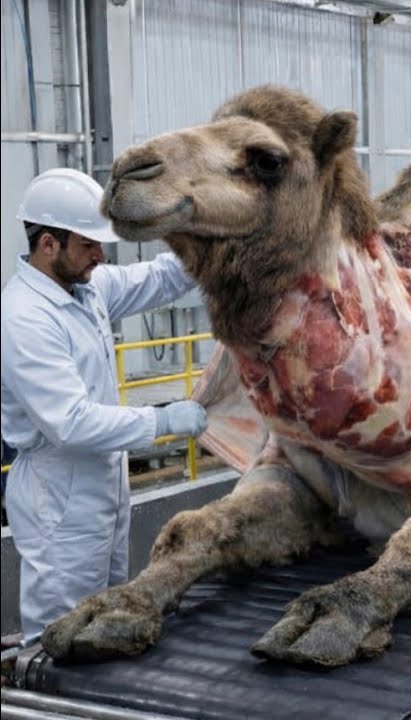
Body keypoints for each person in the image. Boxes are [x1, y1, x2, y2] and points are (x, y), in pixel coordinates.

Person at [1, 168, 209, 643]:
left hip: (102, 485)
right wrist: (162, 419)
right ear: (48, 244)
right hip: (60, 496)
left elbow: (156, 279)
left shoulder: (84, 288)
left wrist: (207, 242)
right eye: (88, 244)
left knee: (108, 619)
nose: (100, 254)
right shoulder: (24, 318)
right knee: (63, 629)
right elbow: (69, 423)